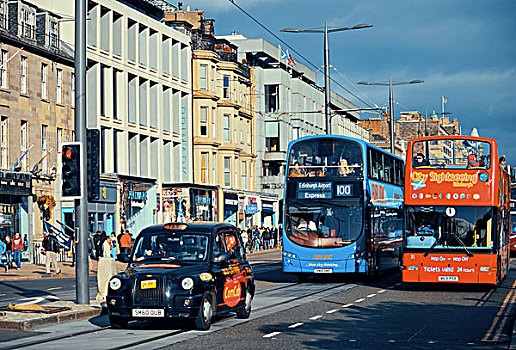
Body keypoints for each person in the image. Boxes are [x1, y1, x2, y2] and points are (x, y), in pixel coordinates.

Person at [96, 232, 116, 302]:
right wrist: (107, 258)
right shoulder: (105, 244)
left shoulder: (105, 243)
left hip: (105, 259)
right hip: (106, 260)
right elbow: (105, 252)